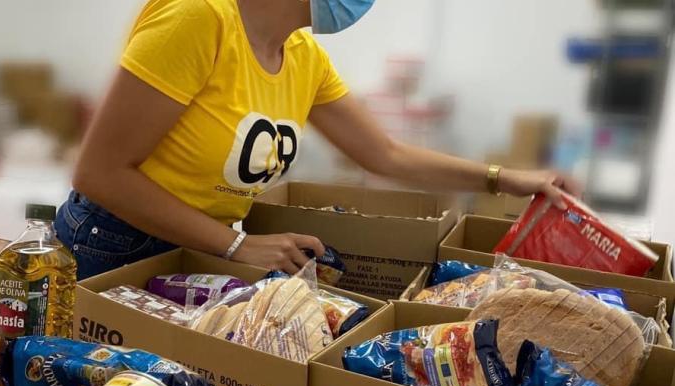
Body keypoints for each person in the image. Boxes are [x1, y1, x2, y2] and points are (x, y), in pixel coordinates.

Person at [55, 0, 579, 280]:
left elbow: (385, 154)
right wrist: (239, 245)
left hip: (199, 244)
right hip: (114, 243)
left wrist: (504, 179)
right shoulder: (197, 17)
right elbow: (99, 173)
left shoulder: (304, 59)